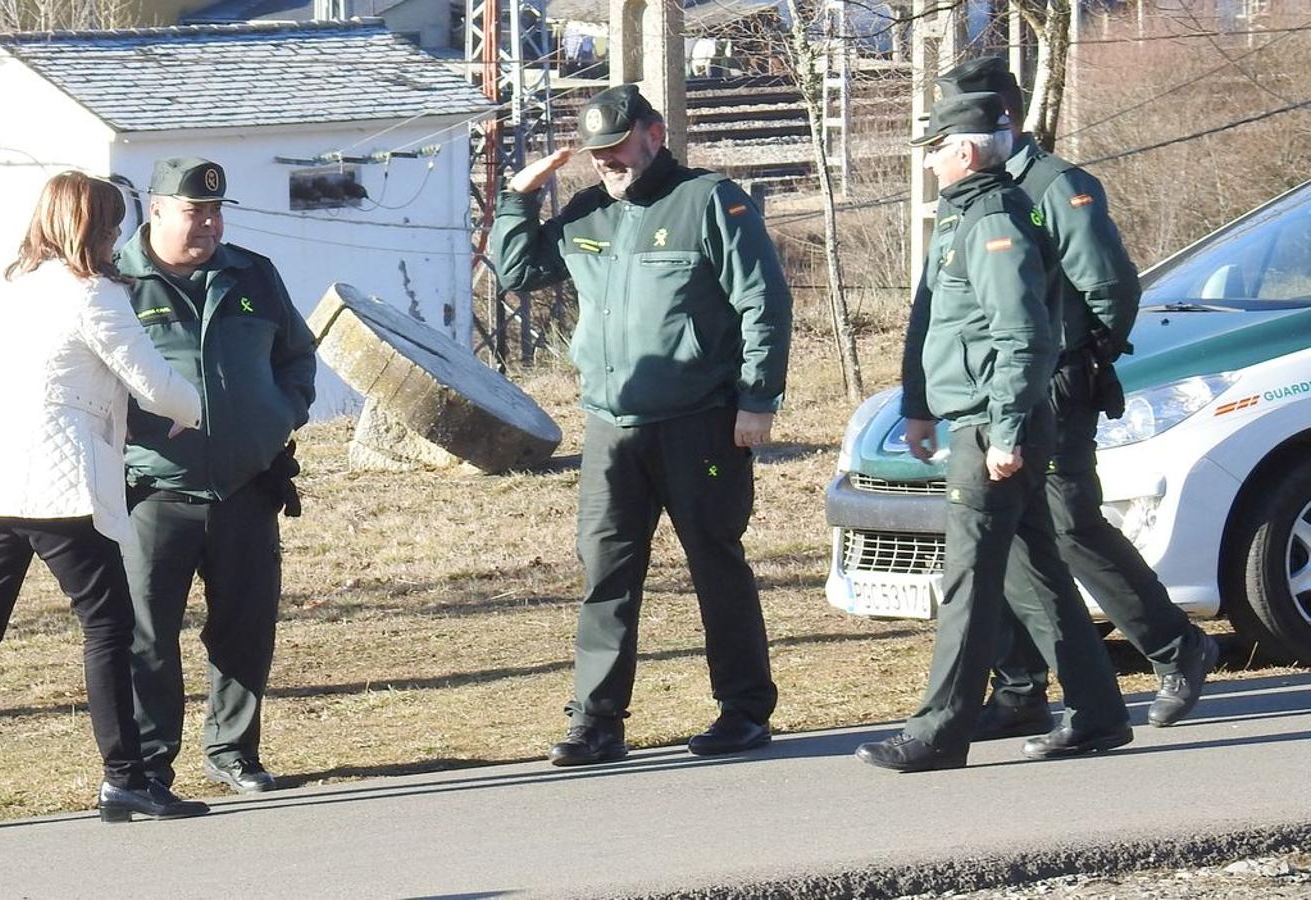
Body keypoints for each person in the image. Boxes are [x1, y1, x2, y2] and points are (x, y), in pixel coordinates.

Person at [0, 171, 209, 829]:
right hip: (54, 484)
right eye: (114, 226)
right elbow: (155, 383)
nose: (120, 237)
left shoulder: (10, 288)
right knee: (109, 623)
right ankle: (125, 779)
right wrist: (194, 410)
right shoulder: (94, 296)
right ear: (95, 229)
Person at [491, 84, 793, 766]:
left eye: (618, 148)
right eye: (597, 153)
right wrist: (519, 196)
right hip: (610, 427)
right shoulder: (590, 212)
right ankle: (597, 722)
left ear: (654, 134)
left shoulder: (711, 201)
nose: (607, 163)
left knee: (716, 564)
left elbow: (763, 301)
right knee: (605, 573)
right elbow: (516, 270)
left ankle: (744, 711)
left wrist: (759, 399)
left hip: (700, 421)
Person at [937, 57, 1219, 741]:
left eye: (958, 125)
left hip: (1053, 379)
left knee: (1067, 523)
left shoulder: (1055, 186)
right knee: (1004, 531)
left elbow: (1112, 288)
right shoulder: (978, 196)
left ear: (998, 118)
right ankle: (1022, 689)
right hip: (997, 390)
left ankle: (1177, 647)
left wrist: (1084, 362)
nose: (948, 143)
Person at [855, 93, 1133, 772]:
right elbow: (938, 325)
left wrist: (1006, 428)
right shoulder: (963, 217)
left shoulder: (994, 219)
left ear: (968, 150)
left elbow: (1024, 334)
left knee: (969, 583)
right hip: (976, 418)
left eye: (935, 149)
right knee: (1037, 573)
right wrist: (920, 406)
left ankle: (939, 731)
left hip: (994, 426)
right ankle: (1098, 713)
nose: (927, 162)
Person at [117, 157, 316, 794]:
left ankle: (234, 751)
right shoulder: (117, 284)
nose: (208, 223)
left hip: (245, 485)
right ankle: (149, 765)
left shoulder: (251, 273)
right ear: (155, 210)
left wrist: (282, 414)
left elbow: (296, 355)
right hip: (153, 491)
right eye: (192, 211)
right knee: (147, 635)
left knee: (245, 625)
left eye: (215, 211)